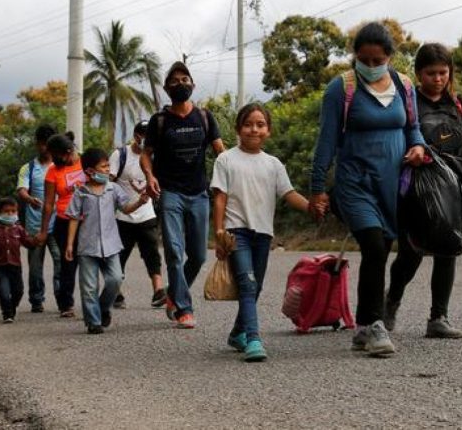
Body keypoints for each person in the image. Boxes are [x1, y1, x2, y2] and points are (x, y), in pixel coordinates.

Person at [310, 22, 427, 357]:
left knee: (382, 248)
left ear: (389, 57)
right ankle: (375, 325)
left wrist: (418, 148)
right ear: (355, 57)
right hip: (354, 182)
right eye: (364, 59)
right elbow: (326, 142)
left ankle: (362, 326)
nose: (371, 65)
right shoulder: (341, 88)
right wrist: (318, 189)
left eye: (378, 59)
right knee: (374, 245)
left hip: (392, 184)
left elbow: (413, 127)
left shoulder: (405, 86)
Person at [212, 103, 321, 362]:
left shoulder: (273, 164)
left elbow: (288, 193)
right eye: (249, 124)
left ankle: (237, 333)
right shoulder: (225, 159)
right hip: (236, 232)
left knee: (255, 286)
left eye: (260, 125)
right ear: (238, 128)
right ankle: (253, 339)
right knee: (248, 286)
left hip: (263, 234)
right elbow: (219, 198)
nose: (254, 129)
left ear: (268, 131)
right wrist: (218, 232)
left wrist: (310, 207)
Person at [385, 43, 462, 340]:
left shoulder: (458, 105)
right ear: (418, 73)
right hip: (416, 190)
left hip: (452, 188)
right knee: (411, 252)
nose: (437, 79)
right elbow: (397, 142)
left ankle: (439, 317)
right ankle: (391, 303)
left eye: (443, 73)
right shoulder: (408, 104)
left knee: (448, 249)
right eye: (431, 73)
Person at [141, 61, 225, 329]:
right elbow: (146, 154)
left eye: (185, 79)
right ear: (167, 88)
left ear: (193, 84)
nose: (181, 84)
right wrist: (150, 176)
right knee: (175, 253)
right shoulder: (160, 121)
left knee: (198, 256)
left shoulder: (204, 117)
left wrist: (236, 174)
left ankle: (174, 295)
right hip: (171, 194)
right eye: (175, 81)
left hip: (199, 193)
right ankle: (184, 309)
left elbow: (220, 152)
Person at [65, 149, 151, 334]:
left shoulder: (113, 189)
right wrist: (70, 244)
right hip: (87, 246)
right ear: (89, 171)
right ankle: (93, 322)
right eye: (103, 167)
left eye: (107, 166)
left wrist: (140, 202)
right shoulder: (80, 192)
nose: (107, 170)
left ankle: (103, 308)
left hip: (111, 245)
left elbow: (126, 208)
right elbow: (73, 218)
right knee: (88, 287)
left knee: (115, 279)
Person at [109, 120, 166, 309]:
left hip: (146, 214)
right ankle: (116, 291)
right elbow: (109, 182)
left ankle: (158, 290)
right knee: (120, 254)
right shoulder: (120, 155)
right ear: (136, 136)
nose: (145, 139)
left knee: (152, 253)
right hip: (123, 215)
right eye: (143, 135)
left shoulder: (154, 156)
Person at [37, 132, 86, 318]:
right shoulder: (53, 171)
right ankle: (66, 304)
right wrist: (43, 231)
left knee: (93, 260)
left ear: (68, 151)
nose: (53, 160)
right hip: (64, 222)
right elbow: (48, 203)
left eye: (55, 156)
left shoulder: (85, 163)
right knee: (68, 263)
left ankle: (109, 295)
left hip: (87, 221)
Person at [17, 124, 62, 313]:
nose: (44, 148)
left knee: (60, 261)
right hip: (35, 225)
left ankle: (62, 299)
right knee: (35, 266)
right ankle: (37, 299)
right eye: (41, 144)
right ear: (37, 144)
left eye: (47, 145)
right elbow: (21, 190)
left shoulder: (60, 166)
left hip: (58, 223)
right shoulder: (28, 168)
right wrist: (29, 199)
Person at [0, 197, 36, 323]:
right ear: (0, 213)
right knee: (3, 291)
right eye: (6, 211)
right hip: (1, 267)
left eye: (13, 211)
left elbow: (28, 242)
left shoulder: (19, 229)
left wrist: (37, 240)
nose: (10, 214)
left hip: (15, 266)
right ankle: (7, 313)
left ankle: (12, 307)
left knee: (18, 291)